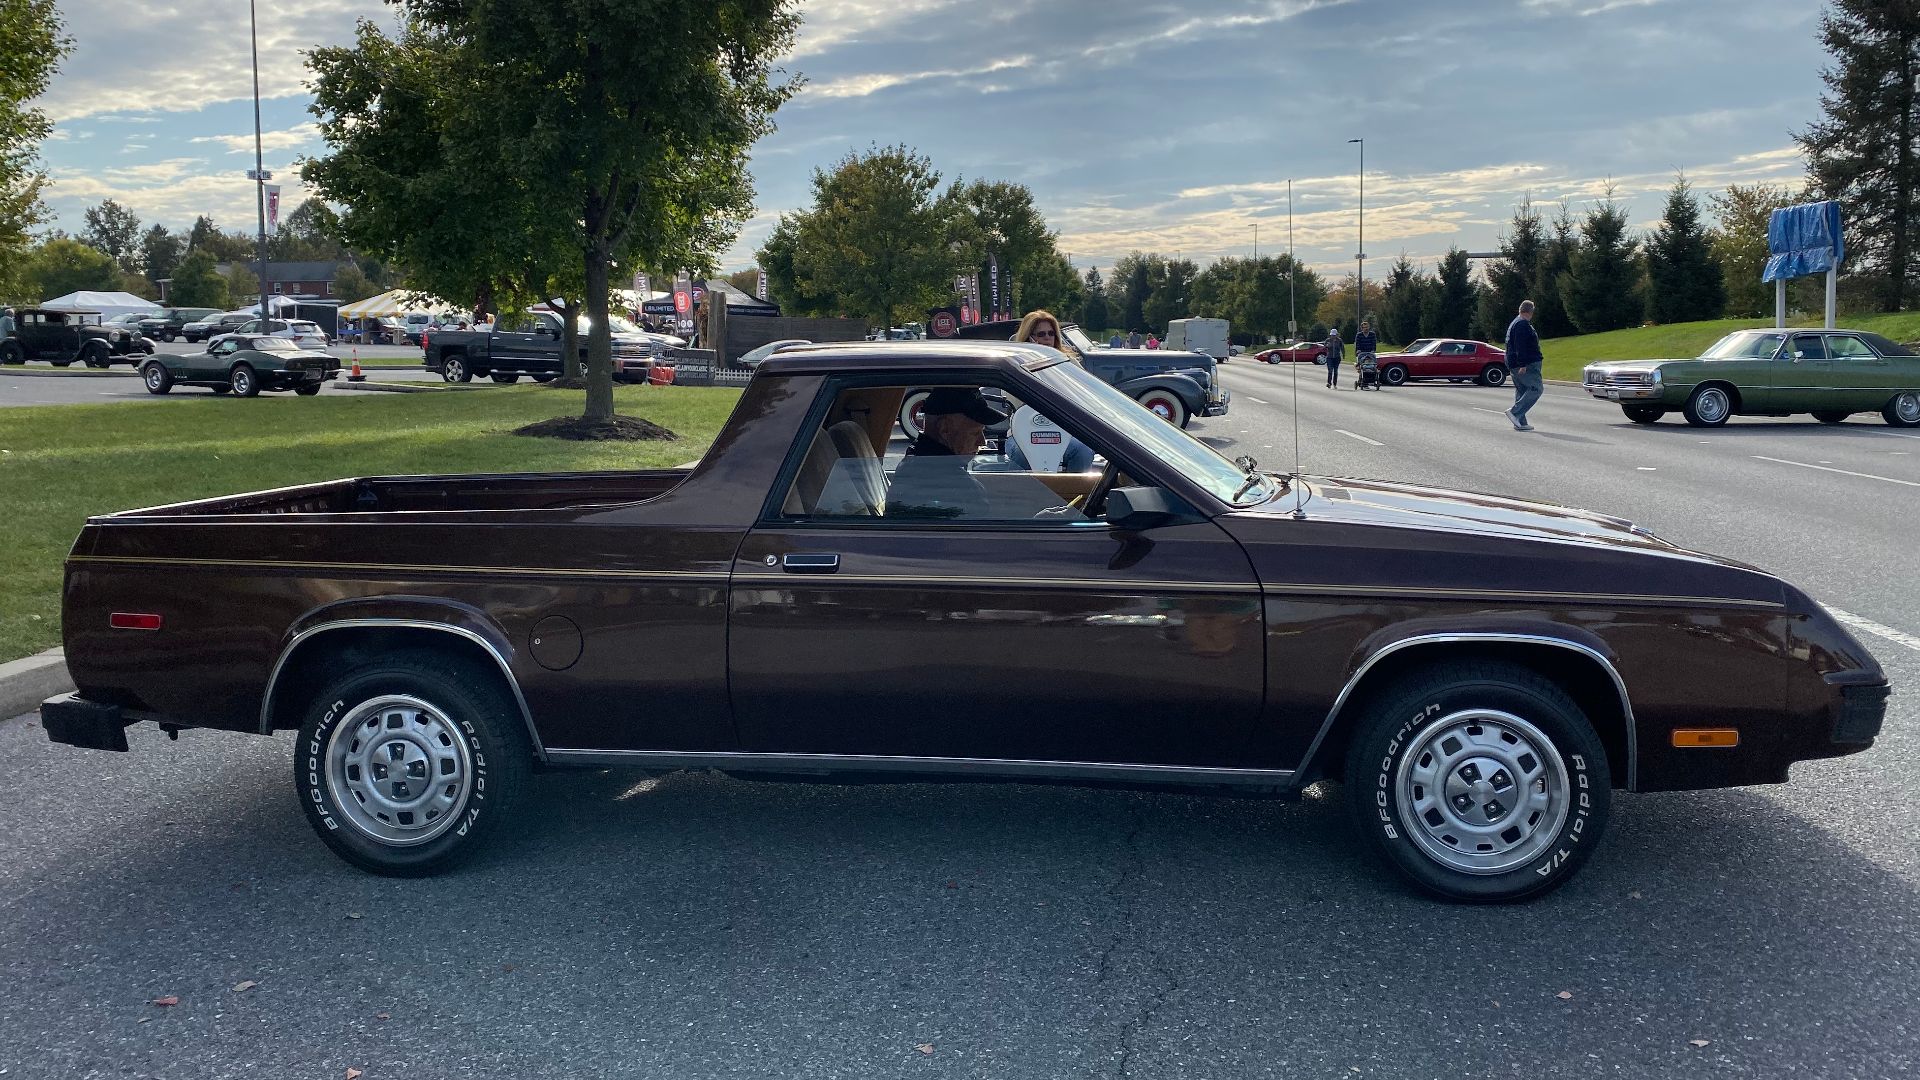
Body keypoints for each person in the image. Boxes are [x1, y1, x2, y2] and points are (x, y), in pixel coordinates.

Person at [888, 387, 1008, 519]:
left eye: (982, 432)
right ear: (944, 429)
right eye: (974, 433)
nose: (982, 442)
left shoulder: (916, 462)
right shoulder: (955, 485)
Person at [1504, 299, 1544, 431]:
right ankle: (1515, 413)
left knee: (1522, 390)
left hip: (1513, 362)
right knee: (1536, 388)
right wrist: (1523, 364)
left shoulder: (1515, 323)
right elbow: (1520, 346)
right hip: (1526, 363)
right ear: (1530, 311)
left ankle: (1520, 422)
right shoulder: (1522, 324)